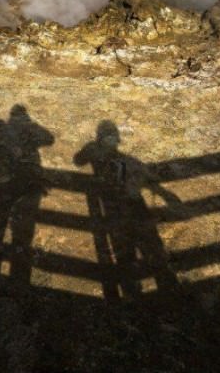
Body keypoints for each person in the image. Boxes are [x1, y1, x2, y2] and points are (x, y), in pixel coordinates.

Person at [74, 120, 179, 301]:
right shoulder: (121, 160)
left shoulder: (124, 161)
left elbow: (78, 160)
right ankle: (146, 291)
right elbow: (78, 160)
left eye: (112, 139)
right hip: (125, 209)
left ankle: (155, 289)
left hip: (127, 208)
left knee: (144, 248)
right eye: (109, 138)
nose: (111, 142)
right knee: (134, 250)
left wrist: (163, 192)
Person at [0, 89, 54, 284]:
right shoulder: (11, 128)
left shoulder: (0, 128)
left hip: (4, 180)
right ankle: (14, 259)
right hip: (20, 179)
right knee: (19, 220)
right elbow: (50, 139)